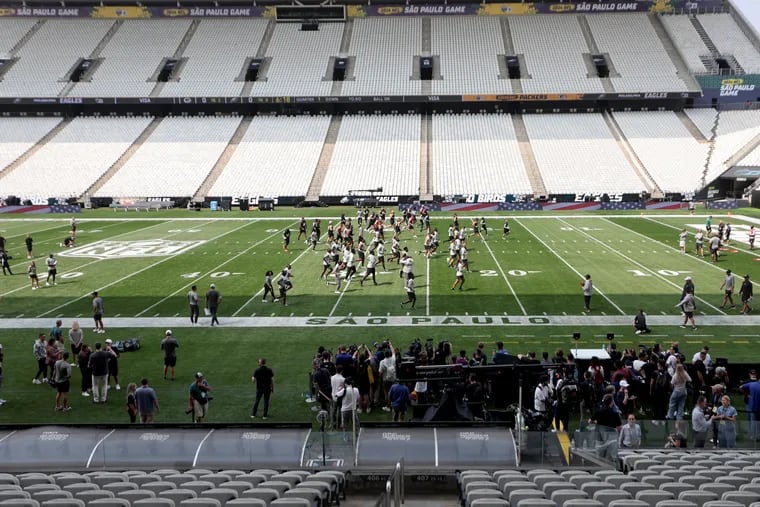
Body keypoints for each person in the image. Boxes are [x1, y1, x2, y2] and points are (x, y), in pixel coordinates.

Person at [740, 371, 760, 441]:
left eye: (754, 374)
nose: (753, 375)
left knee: (753, 421)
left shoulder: (751, 384)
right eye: (752, 374)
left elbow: (741, 387)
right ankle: (754, 435)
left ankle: (754, 435)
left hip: (752, 406)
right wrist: (746, 394)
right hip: (752, 405)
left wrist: (747, 394)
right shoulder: (749, 383)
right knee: (752, 421)